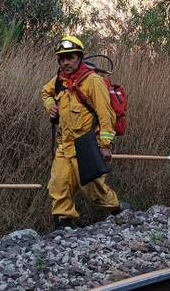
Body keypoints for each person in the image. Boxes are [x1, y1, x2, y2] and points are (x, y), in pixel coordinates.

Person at [41, 35, 124, 229]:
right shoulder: (59, 80)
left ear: (79, 57)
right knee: (58, 185)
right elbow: (45, 93)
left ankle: (117, 210)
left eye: (70, 57)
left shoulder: (93, 81)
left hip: (86, 145)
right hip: (65, 145)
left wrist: (105, 145)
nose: (65, 62)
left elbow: (106, 115)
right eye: (62, 58)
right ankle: (64, 224)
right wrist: (50, 105)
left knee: (92, 189)